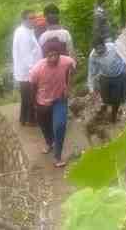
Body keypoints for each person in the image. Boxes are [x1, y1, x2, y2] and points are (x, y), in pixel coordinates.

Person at [29, 39, 76, 167]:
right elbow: (32, 87)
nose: (53, 58)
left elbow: (72, 68)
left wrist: (68, 86)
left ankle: (58, 156)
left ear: (59, 54)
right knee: (45, 127)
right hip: (42, 103)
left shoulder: (66, 61)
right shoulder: (37, 69)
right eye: (50, 55)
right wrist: (35, 104)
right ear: (46, 55)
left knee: (60, 126)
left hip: (60, 99)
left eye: (56, 55)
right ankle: (49, 143)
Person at [87, 40, 126, 123]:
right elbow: (91, 73)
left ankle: (113, 116)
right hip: (105, 76)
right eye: (98, 51)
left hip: (118, 75)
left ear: (105, 46)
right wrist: (91, 89)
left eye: (102, 50)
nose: (100, 53)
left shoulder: (114, 47)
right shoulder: (93, 56)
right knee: (105, 97)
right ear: (94, 49)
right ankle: (105, 106)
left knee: (116, 99)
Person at [11, 10, 42, 126]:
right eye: (31, 18)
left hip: (25, 71)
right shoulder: (23, 33)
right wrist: (34, 72)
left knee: (26, 96)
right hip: (28, 72)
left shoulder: (26, 30)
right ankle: (30, 120)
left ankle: (23, 119)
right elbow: (26, 56)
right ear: (24, 20)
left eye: (34, 17)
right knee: (30, 96)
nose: (34, 20)